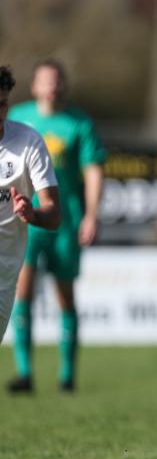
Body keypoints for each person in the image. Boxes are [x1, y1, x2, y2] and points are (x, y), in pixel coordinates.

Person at [6, 60, 103, 394]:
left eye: (57, 81)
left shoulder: (78, 124)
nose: (52, 87)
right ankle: (25, 372)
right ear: (34, 86)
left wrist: (91, 214)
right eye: (46, 81)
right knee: (23, 291)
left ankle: (66, 375)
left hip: (65, 220)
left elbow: (92, 170)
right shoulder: (17, 117)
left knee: (65, 296)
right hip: (23, 220)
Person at [0, 65, 61, 364]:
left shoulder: (28, 143)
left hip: (3, 273)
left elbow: (54, 214)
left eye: (1, 103)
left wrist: (32, 213)